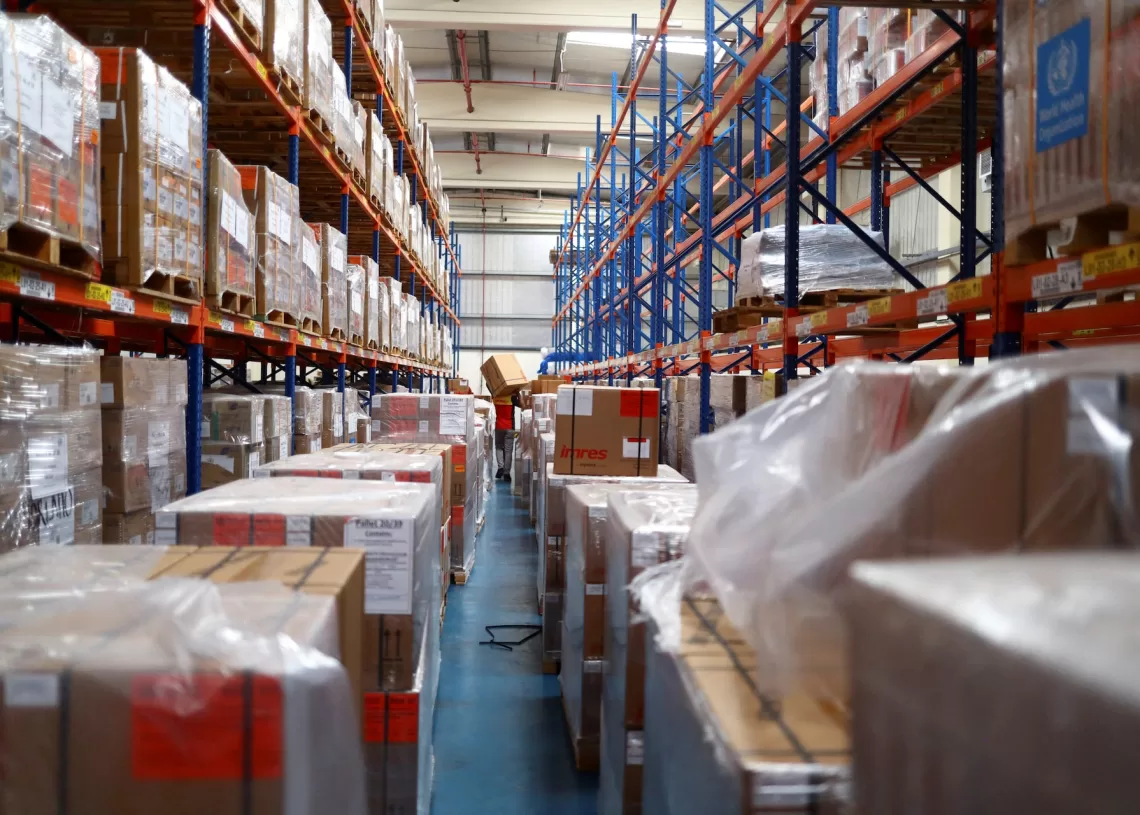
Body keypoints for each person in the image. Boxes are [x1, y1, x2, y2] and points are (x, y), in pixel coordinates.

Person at [493, 390, 520, 481]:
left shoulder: (496, 396)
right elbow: (522, 405)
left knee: (499, 447)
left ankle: (500, 467)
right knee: (508, 451)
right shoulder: (511, 397)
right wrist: (518, 394)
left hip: (498, 426)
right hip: (509, 427)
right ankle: (506, 473)